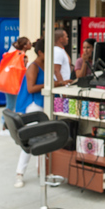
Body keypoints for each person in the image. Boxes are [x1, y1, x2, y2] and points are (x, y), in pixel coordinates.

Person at [12, 38, 65, 188]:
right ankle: (19, 174)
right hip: (33, 106)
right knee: (32, 139)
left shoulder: (46, 65)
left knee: (43, 140)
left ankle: (40, 170)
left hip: (43, 105)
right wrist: (53, 84)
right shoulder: (33, 67)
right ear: (40, 52)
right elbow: (31, 88)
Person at [0, 36, 31, 136]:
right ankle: (4, 127)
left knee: (12, 105)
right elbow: (19, 70)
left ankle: (7, 126)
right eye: (29, 43)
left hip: (11, 83)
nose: (31, 45)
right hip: (13, 84)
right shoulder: (20, 55)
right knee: (11, 105)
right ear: (25, 45)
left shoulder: (16, 54)